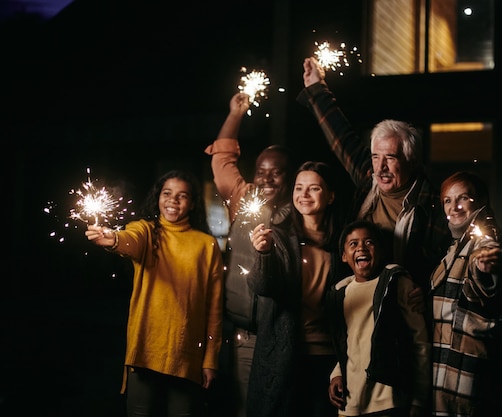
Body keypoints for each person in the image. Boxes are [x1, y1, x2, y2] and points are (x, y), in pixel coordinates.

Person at [297, 56, 451, 295]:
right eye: (375, 157)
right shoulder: (369, 180)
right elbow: (341, 137)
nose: (380, 168)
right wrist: (317, 89)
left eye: (390, 157)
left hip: (402, 305)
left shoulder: (431, 204)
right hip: (358, 297)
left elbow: (444, 264)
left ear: (410, 160)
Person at [84, 169, 224, 417]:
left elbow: (214, 308)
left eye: (182, 196)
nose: (173, 200)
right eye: (167, 193)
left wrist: (210, 360)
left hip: (188, 354)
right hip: (146, 350)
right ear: (158, 197)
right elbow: (130, 239)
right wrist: (113, 238)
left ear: (192, 204)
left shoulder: (207, 245)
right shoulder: (146, 231)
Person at [204, 91, 294, 417]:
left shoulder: (299, 212)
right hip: (243, 337)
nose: (267, 179)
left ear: (291, 177)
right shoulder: (244, 200)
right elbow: (221, 159)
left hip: (281, 338)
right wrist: (235, 114)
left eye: (277, 172)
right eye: (261, 171)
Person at [248, 161, 349, 417]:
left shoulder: (343, 244)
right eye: (298, 188)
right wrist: (264, 253)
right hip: (285, 353)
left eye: (314, 188)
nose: (303, 195)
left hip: (330, 357)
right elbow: (262, 286)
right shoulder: (280, 238)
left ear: (331, 196)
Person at [326, 220, 431, 417]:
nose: (361, 248)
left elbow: (420, 342)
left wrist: (419, 398)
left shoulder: (395, 282)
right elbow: (348, 344)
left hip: (387, 401)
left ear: (381, 251)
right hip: (350, 402)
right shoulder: (340, 294)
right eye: (353, 244)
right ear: (343, 256)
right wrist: (337, 374)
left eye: (369, 242)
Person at [430, 171, 502, 417]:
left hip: (467, 375)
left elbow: (487, 264)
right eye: (447, 200)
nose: (454, 206)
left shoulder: (485, 238)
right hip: (443, 368)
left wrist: (487, 269)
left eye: (463, 198)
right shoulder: (455, 245)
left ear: (480, 200)